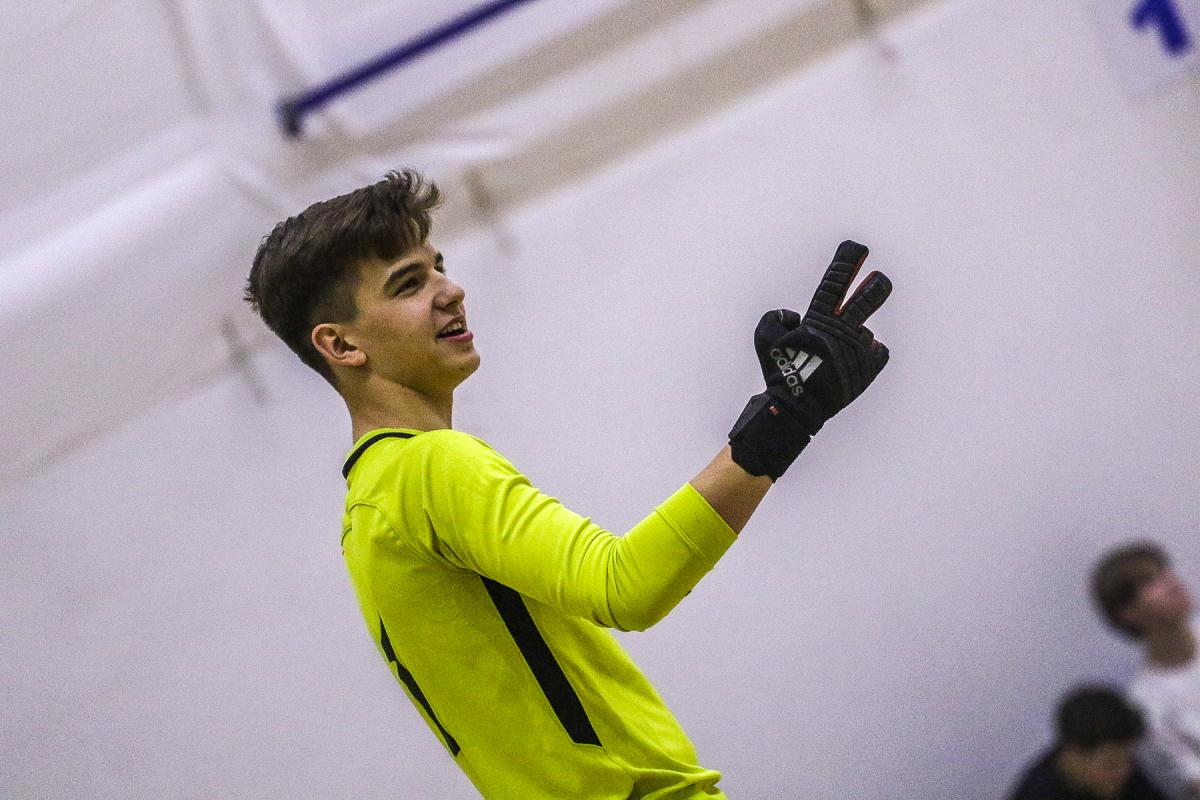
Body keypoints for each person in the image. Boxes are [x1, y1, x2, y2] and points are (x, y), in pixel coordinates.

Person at [243, 169, 892, 799]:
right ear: (340, 345)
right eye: (409, 283)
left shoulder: (368, 506)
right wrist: (785, 416)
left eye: (439, 266)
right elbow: (624, 586)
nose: (451, 290)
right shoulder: (427, 467)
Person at [1093, 542, 1200, 799]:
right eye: (1150, 581)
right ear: (1128, 613)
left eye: (1166, 572)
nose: (1172, 583)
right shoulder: (1146, 707)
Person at [1008, 684, 1167, 800]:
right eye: (1110, 764)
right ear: (1073, 754)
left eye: (1129, 759)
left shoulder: (1120, 772)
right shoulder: (1036, 793)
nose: (1124, 773)